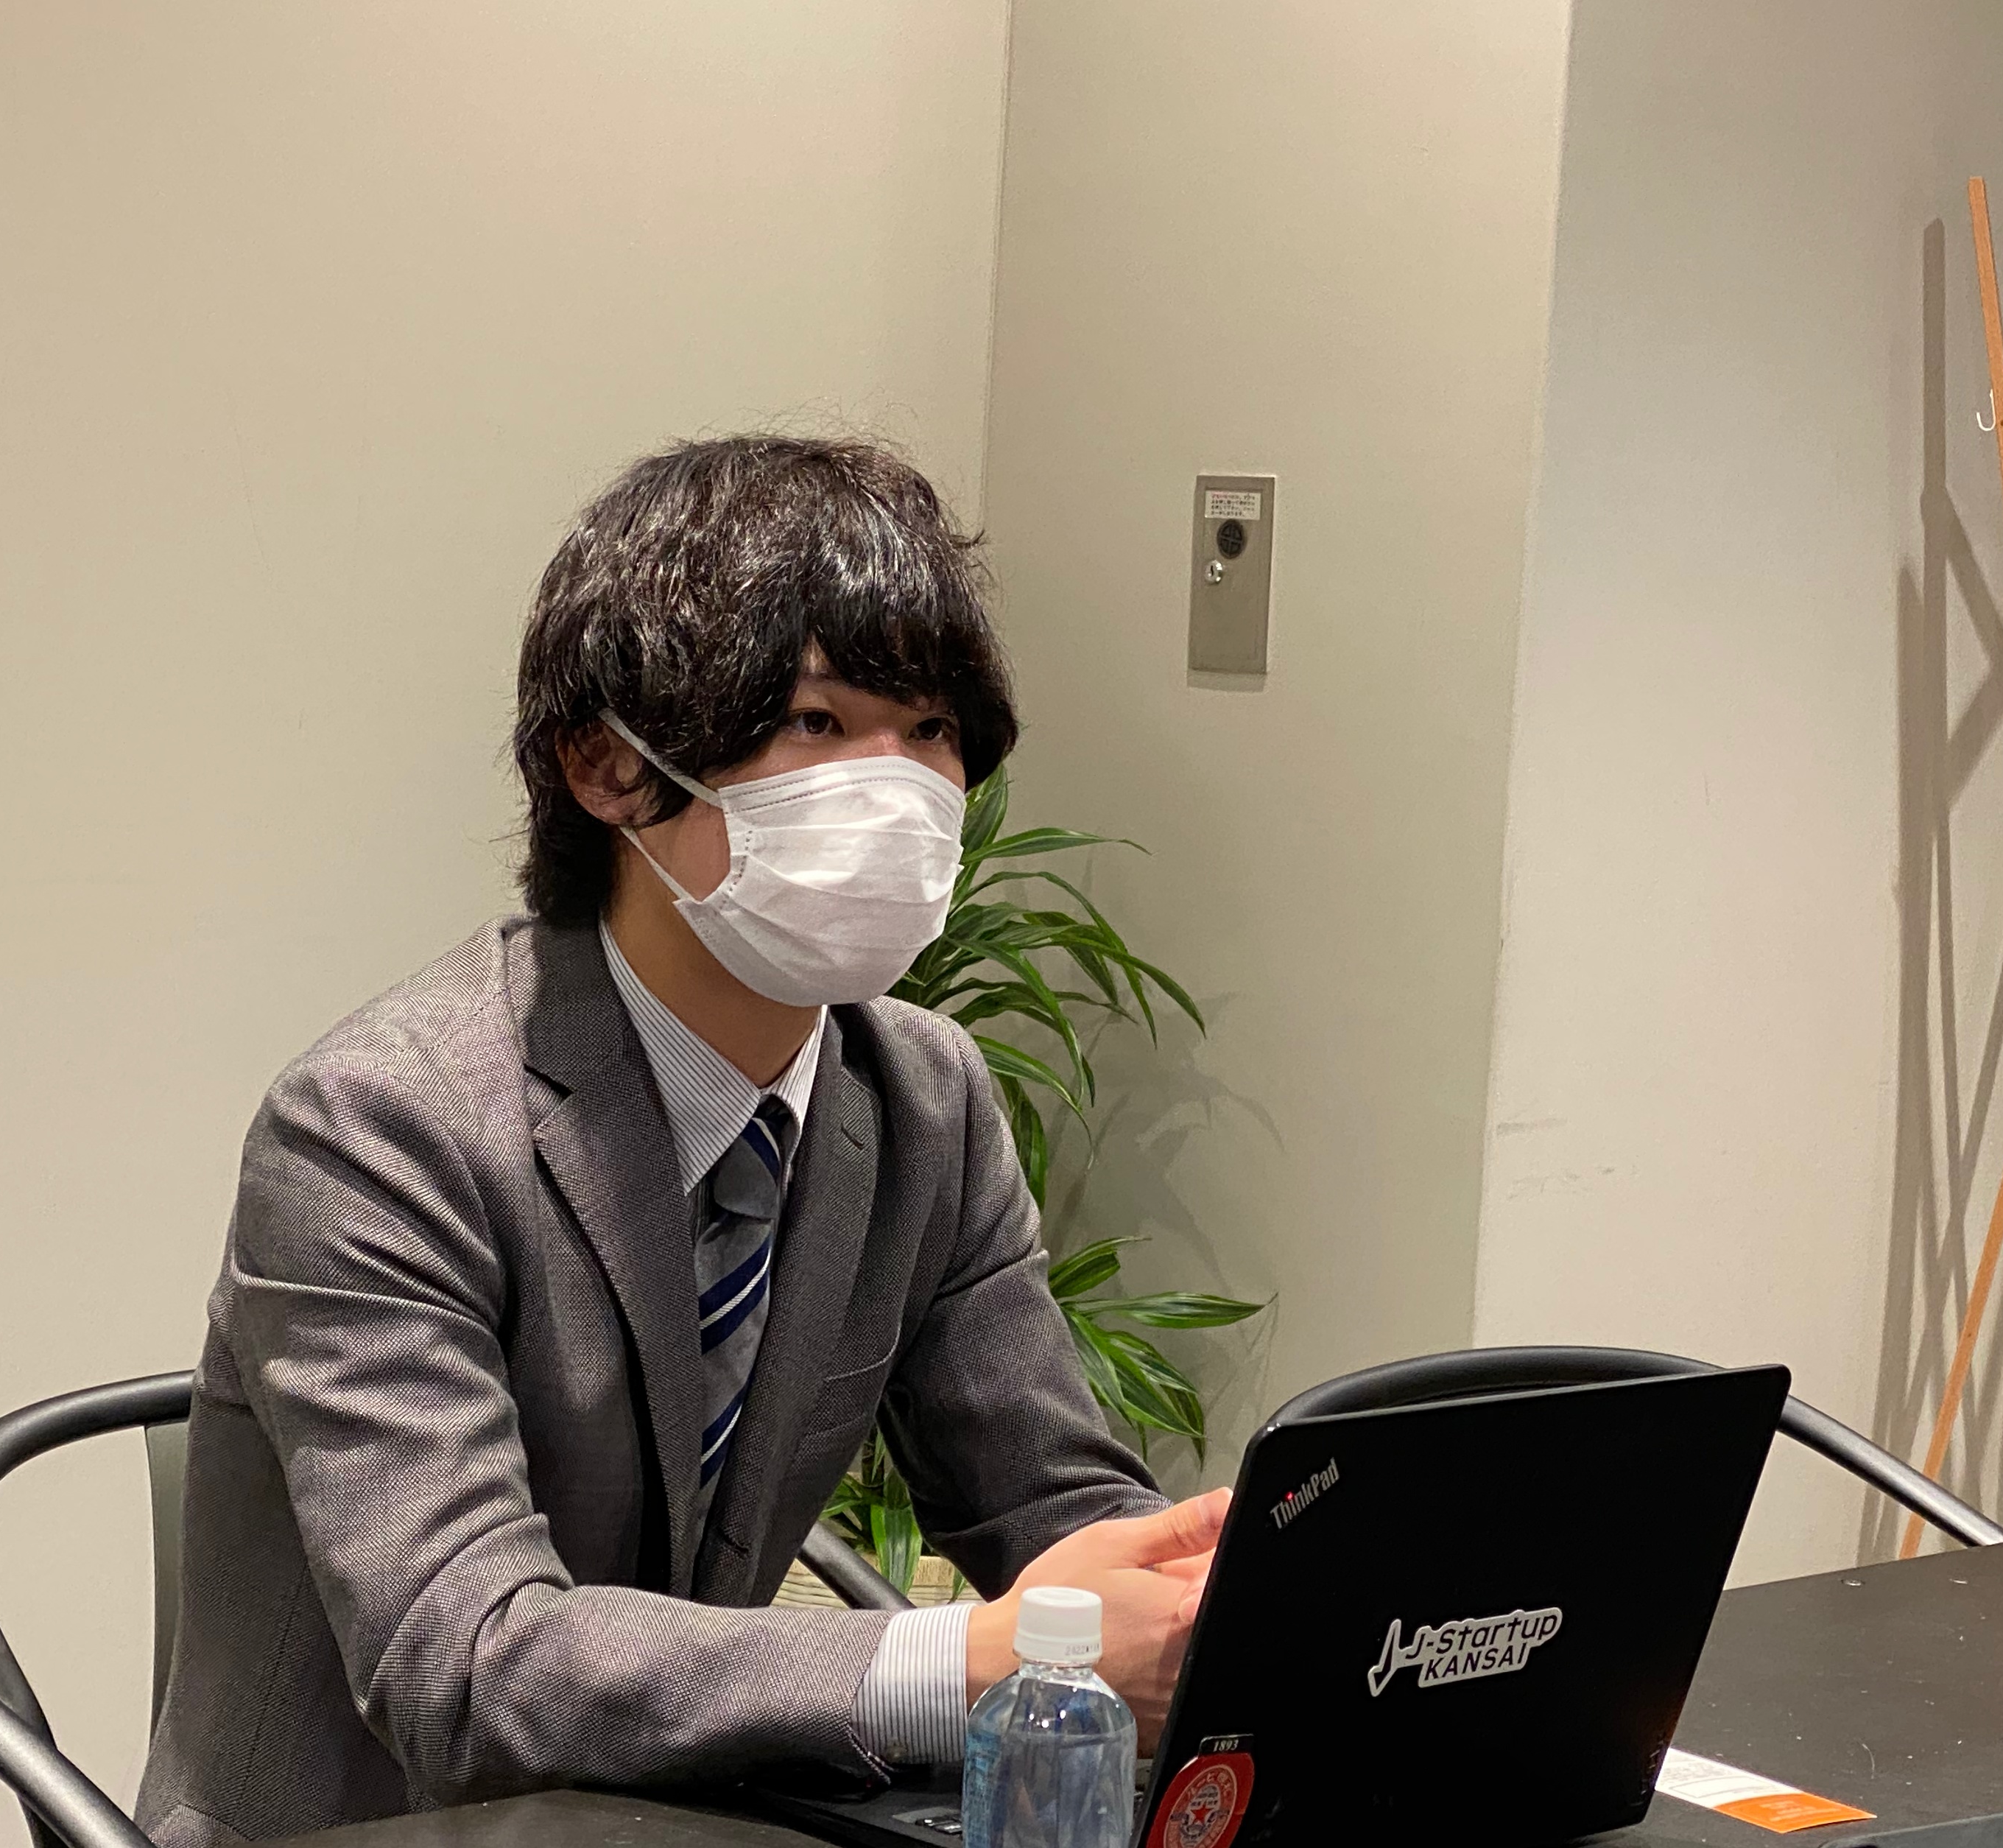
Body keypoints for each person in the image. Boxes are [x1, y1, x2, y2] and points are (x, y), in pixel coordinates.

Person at [136, 435, 1229, 1847]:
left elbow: (1048, 1498)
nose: (898, 788)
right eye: (819, 723)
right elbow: (468, 1670)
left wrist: (1195, 1592)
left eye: (931, 730)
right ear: (606, 763)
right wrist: (961, 1660)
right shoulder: (379, 1125)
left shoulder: (925, 1099)